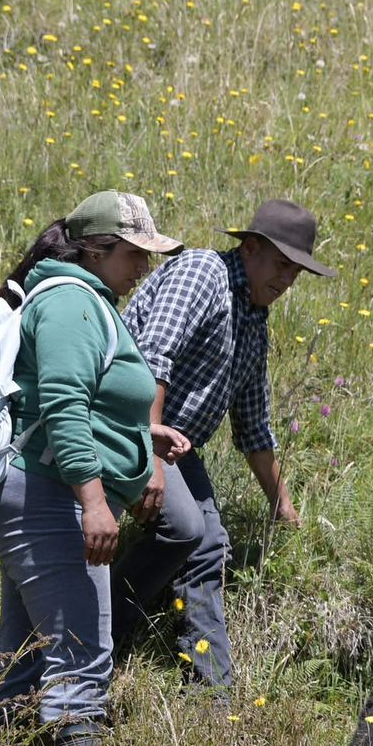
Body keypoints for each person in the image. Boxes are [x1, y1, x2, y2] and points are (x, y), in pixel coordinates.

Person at [0, 190, 187, 746]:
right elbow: (63, 406)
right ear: (97, 249)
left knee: (25, 657)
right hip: (52, 499)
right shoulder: (72, 302)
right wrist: (95, 501)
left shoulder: (86, 298)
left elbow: (79, 398)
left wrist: (138, 432)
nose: (144, 267)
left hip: (40, 494)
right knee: (80, 660)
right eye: (134, 253)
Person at [111, 199, 334, 689]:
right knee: (186, 529)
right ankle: (102, 635)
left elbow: (253, 426)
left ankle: (212, 689)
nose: (287, 281)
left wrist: (284, 508)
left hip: (177, 445)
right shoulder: (202, 273)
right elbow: (152, 358)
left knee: (210, 545)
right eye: (281, 265)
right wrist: (148, 452)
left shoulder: (254, 317)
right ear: (250, 248)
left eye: (296, 272)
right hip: (124, 424)